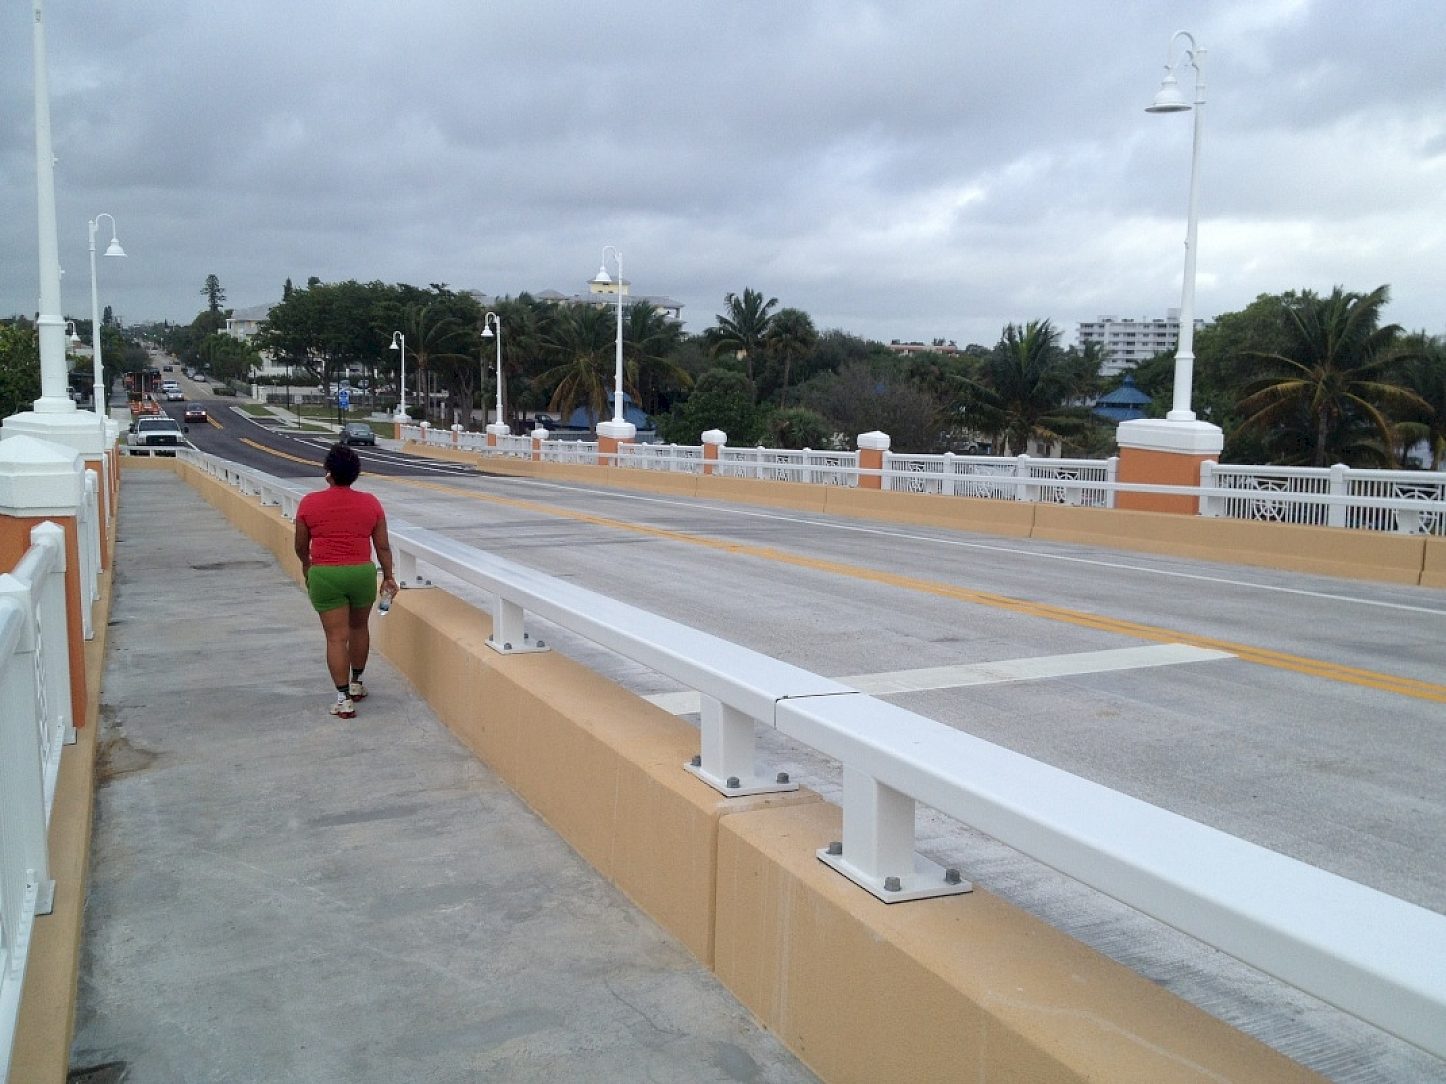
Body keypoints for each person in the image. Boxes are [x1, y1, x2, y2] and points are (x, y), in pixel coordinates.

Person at [293, 444, 398, 718]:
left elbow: (301, 546)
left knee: (336, 638)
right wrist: (388, 576)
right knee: (359, 627)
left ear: (328, 472)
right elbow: (382, 546)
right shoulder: (370, 503)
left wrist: (307, 565)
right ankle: (356, 683)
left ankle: (343, 699)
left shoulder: (309, 503)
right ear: (355, 473)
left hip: (326, 574)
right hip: (361, 573)